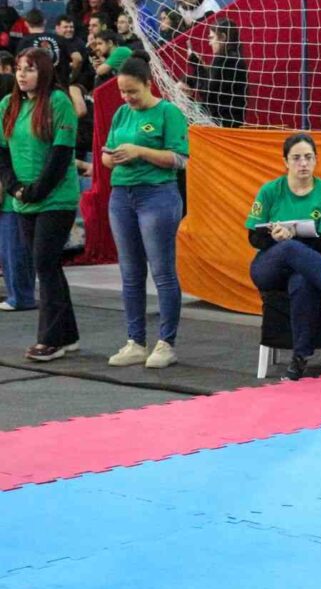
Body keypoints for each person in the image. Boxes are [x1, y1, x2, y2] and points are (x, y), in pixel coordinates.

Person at [247, 133, 321, 381]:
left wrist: (296, 233)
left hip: (314, 264)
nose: (303, 163)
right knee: (290, 248)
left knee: (302, 282)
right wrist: (277, 236)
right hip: (271, 265)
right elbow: (254, 237)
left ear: (316, 160)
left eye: (308, 158)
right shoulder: (270, 190)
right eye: (297, 158)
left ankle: (299, 359)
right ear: (285, 162)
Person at [102, 52, 188, 369]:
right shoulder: (121, 114)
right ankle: (135, 341)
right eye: (123, 92)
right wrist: (113, 158)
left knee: (162, 272)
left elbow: (179, 160)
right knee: (130, 273)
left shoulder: (169, 113)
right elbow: (105, 156)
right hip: (122, 196)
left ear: (148, 85)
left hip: (158, 196)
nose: (128, 98)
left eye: (133, 91)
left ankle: (166, 343)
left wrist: (139, 151)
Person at [0, 48, 81, 361]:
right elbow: (3, 153)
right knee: (47, 265)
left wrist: (37, 190)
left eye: (30, 69)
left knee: (44, 263)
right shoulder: (7, 105)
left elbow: (61, 155)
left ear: (44, 72)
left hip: (56, 199)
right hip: (22, 199)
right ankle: (69, 335)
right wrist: (15, 187)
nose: (22, 74)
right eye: (19, 68)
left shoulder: (59, 102)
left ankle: (51, 340)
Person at [0, 70, 35, 312]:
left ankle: (21, 295)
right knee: (8, 247)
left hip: (14, 187)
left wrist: (7, 185)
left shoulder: (11, 108)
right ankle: (17, 293)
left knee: (14, 247)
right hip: (12, 183)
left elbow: (7, 153)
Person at [185, 19, 248, 128]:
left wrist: (197, 65)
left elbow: (206, 93)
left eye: (212, 38)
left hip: (221, 125)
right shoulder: (236, 57)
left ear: (223, 37)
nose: (209, 43)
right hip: (233, 122)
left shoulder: (223, 59)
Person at [16, 9, 78, 87]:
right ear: (44, 22)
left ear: (26, 24)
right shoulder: (59, 39)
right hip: (60, 86)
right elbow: (77, 58)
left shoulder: (24, 42)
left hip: (37, 88)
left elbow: (18, 64)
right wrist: (72, 77)